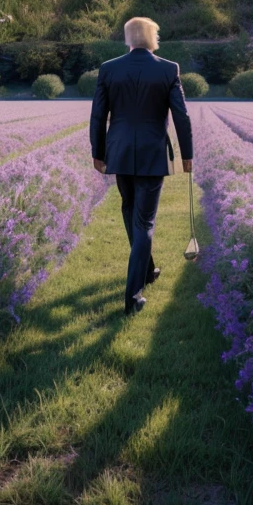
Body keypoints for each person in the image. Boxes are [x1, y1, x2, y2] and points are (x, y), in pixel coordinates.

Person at [89, 16, 193, 316]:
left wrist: (98, 151)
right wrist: (187, 155)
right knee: (144, 223)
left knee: (129, 209)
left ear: (128, 39)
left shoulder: (109, 69)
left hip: (119, 153)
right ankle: (133, 296)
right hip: (151, 154)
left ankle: (146, 271)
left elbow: (98, 116)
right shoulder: (168, 69)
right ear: (152, 38)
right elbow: (181, 116)